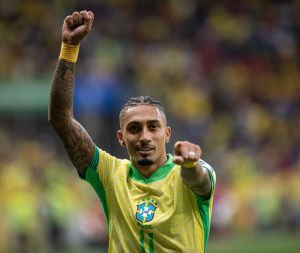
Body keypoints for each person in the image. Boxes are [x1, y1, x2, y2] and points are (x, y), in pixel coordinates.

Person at [48, 10, 216, 252]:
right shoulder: (110, 175)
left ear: (167, 134)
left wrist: (190, 166)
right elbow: (61, 120)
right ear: (121, 138)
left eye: (153, 127)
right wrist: (69, 48)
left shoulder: (192, 171)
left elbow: (199, 182)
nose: (144, 136)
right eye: (134, 129)